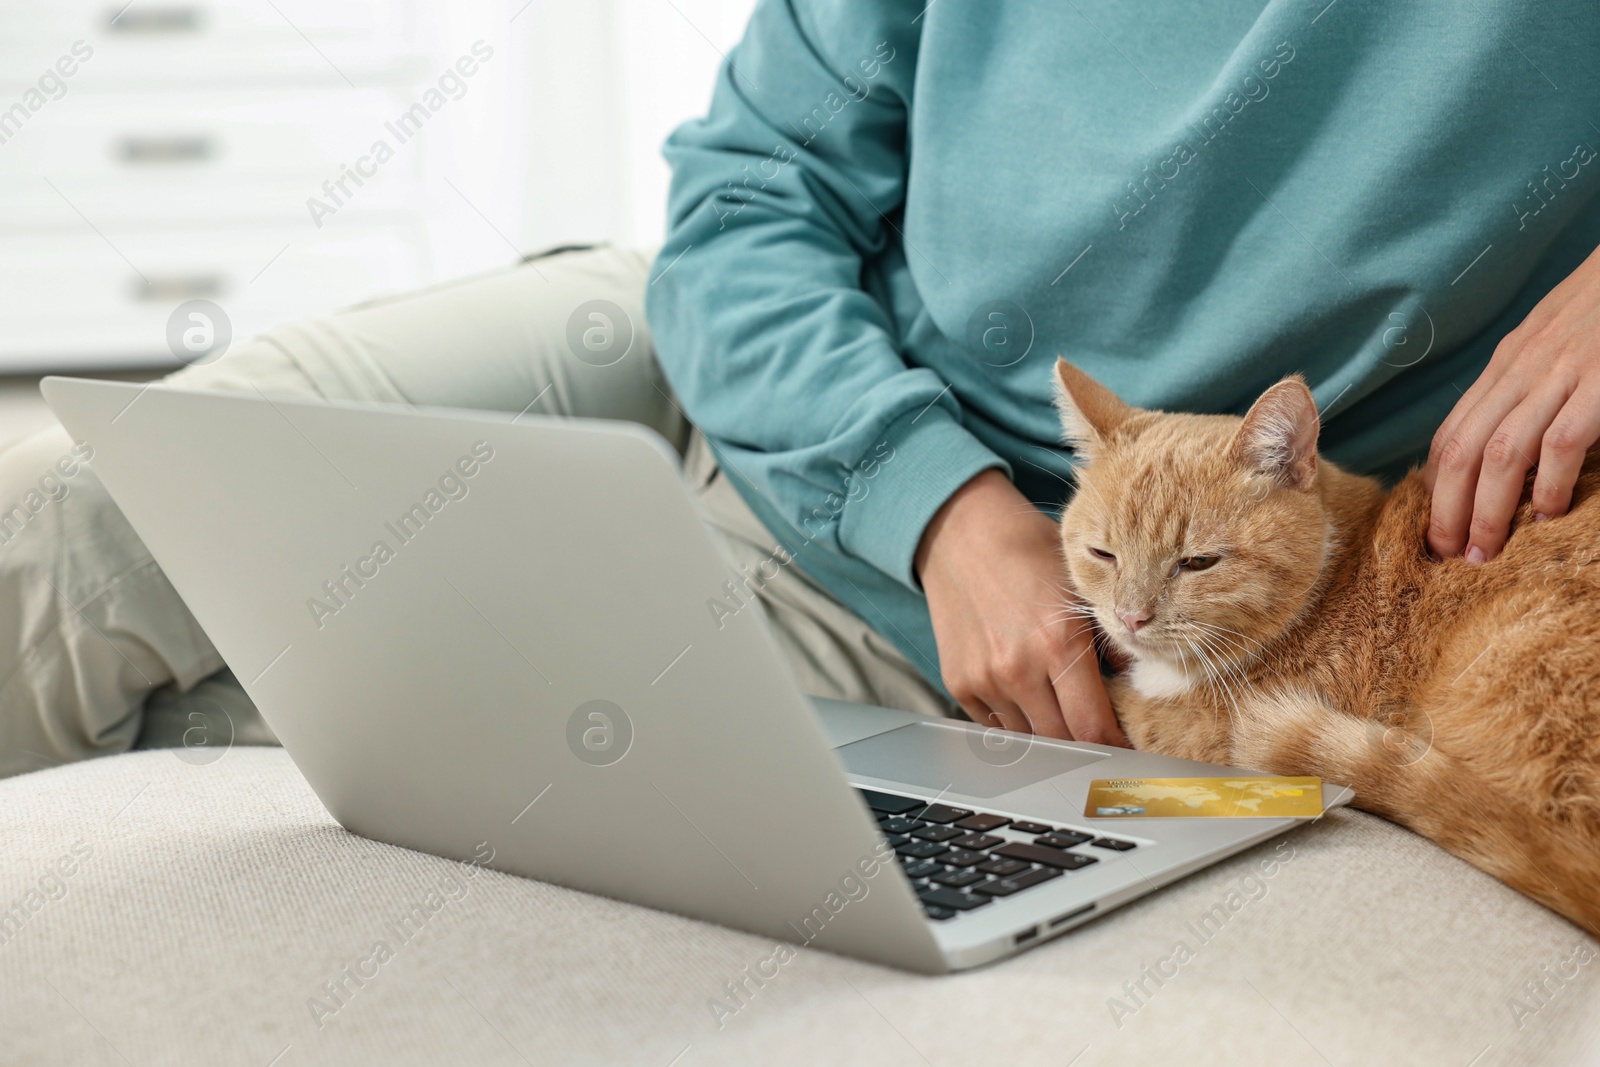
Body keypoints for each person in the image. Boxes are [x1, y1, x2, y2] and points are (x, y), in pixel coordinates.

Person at [2, 0, 1597, 779]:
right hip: (743, 337)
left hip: (1054, 616)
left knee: (247, 744)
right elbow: (752, 181)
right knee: (75, 514)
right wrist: (938, 509)